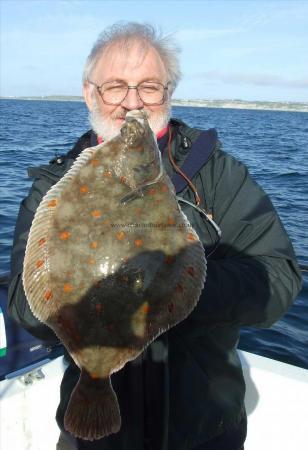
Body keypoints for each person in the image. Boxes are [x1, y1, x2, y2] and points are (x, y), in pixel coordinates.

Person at [8, 22, 302, 450]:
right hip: (98, 440)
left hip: (204, 431)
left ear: (169, 93)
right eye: (115, 87)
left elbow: (279, 278)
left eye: (149, 87)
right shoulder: (54, 182)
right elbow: (23, 306)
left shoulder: (218, 174)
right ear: (90, 93)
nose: (132, 103)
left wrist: (173, 290)